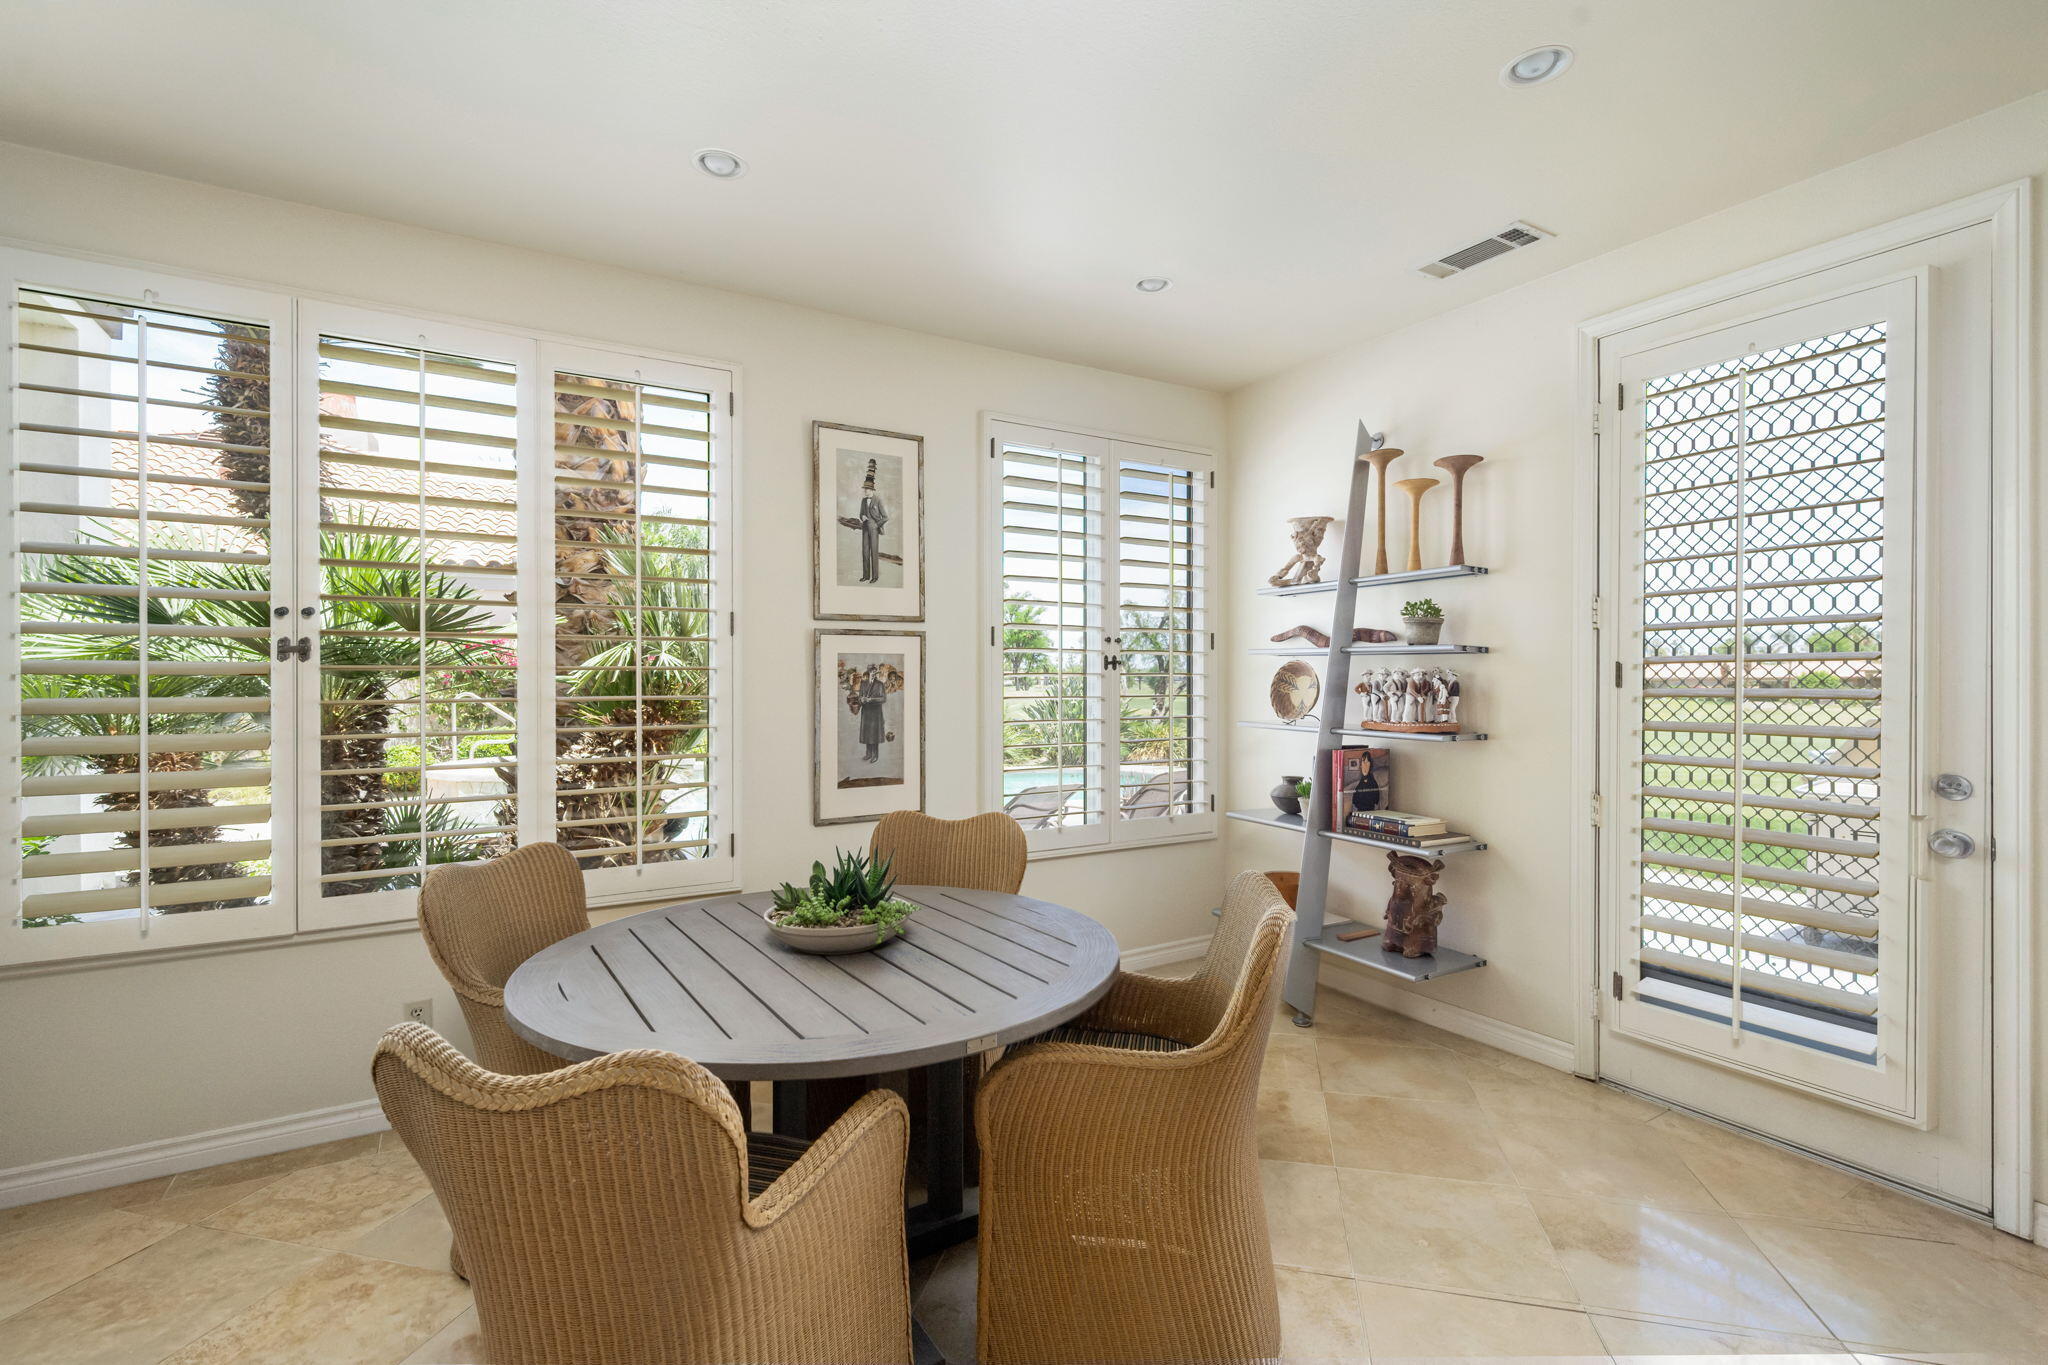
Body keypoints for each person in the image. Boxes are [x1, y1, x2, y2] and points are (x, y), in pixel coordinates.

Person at [857, 459, 889, 584]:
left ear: (872, 490)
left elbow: (885, 517)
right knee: (865, 552)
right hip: (865, 528)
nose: (865, 491)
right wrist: (862, 517)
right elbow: (860, 514)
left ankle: (875, 576)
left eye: (867, 489)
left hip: (874, 530)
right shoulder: (863, 501)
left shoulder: (878, 500)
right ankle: (865, 575)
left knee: (873, 552)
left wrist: (877, 525)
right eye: (865, 489)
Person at [858, 665, 889, 763]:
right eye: (872, 671)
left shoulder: (880, 684)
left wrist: (871, 700)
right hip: (866, 713)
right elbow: (859, 698)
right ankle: (868, 754)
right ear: (869, 672)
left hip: (876, 713)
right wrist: (861, 700)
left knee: (874, 734)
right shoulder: (863, 684)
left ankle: (875, 755)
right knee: (867, 734)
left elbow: (883, 699)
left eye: (875, 671)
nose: (874, 673)